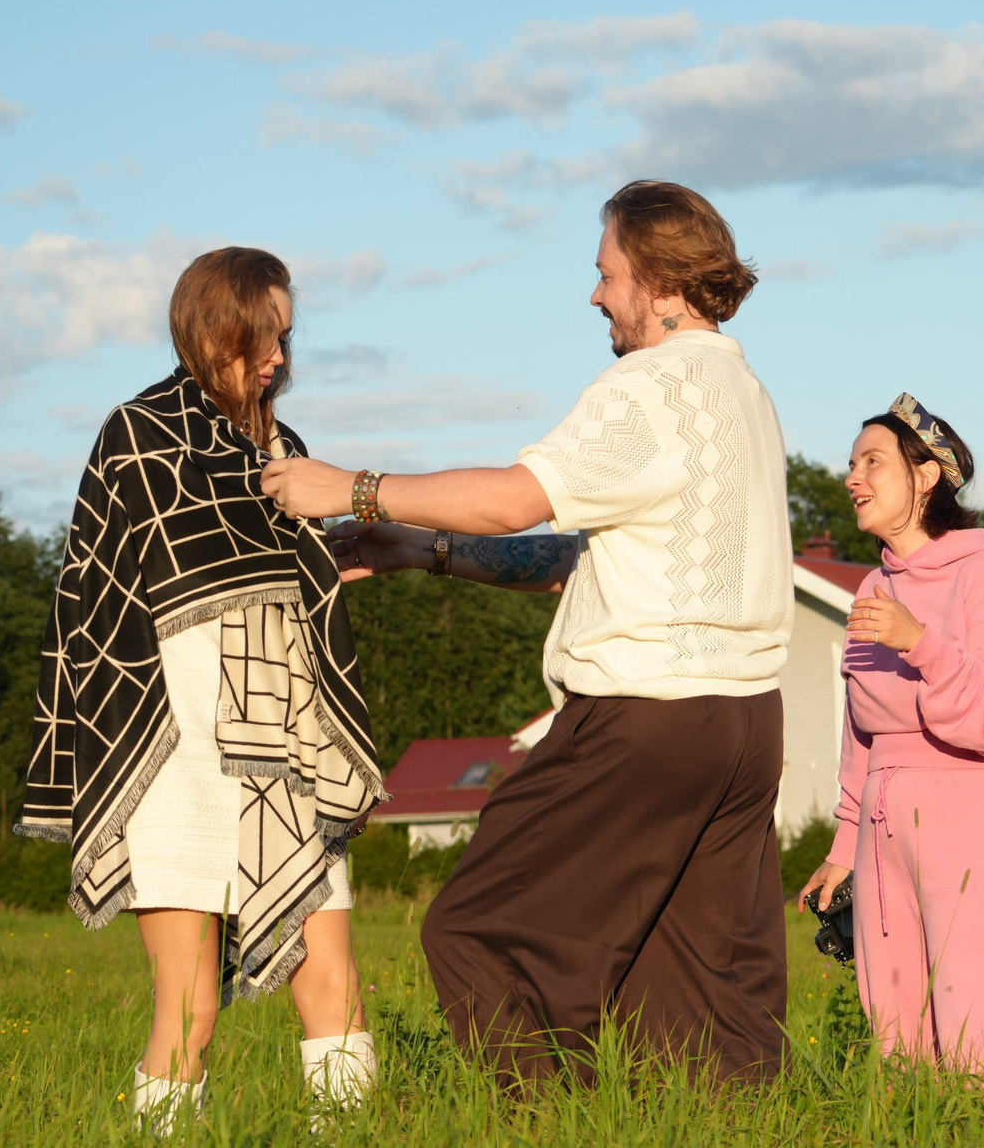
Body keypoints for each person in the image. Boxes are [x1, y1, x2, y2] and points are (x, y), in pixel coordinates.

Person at [263, 180, 793, 1084]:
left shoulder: (646, 391)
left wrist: (350, 487)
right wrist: (418, 551)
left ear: (661, 285)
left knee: (485, 928)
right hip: (744, 727)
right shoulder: (740, 391)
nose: (596, 295)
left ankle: (544, 1140)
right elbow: (572, 557)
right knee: (698, 986)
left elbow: (515, 500)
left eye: (608, 274)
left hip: (646, 716)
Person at [18, 247, 385, 1134]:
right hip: (171, 753)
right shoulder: (134, 434)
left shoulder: (286, 449)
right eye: (267, 336)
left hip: (286, 750)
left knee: (333, 982)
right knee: (189, 1008)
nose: (280, 360)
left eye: (288, 339)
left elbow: (294, 577)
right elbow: (90, 603)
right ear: (216, 326)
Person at [795, 397, 984, 1094]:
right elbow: (860, 730)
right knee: (895, 1020)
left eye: (872, 460)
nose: (852, 477)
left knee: (981, 1016)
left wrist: (921, 643)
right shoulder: (872, 587)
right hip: (882, 823)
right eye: (851, 464)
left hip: (970, 810)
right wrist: (842, 848)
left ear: (928, 475)